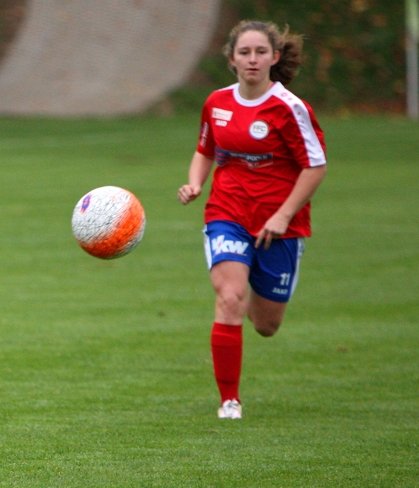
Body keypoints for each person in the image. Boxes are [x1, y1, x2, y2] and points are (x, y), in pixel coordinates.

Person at [177, 21, 327, 420]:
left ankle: (244, 296)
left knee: (266, 325)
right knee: (228, 299)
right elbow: (204, 149)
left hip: (280, 226)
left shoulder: (291, 108)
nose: (253, 60)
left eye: (261, 52)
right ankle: (230, 401)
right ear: (232, 60)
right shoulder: (217, 103)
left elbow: (315, 166)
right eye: (244, 52)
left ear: (275, 57)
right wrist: (195, 184)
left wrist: (282, 215)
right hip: (226, 212)